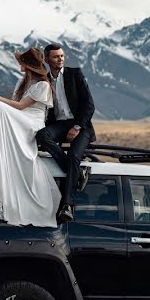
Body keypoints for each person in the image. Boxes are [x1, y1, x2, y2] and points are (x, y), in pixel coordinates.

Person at [0, 48, 61, 227]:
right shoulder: (23, 82)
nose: (19, 65)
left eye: (21, 62)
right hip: (20, 118)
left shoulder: (43, 84)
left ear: (28, 65)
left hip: (31, 122)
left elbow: (20, 106)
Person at [36, 43, 96, 222]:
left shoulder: (74, 74)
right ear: (47, 59)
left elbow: (89, 104)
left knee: (74, 156)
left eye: (62, 56)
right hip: (59, 125)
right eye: (56, 57)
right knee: (42, 135)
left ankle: (67, 206)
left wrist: (77, 127)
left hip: (81, 126)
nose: (60, 59)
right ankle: (77, 174)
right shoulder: (45, 80)